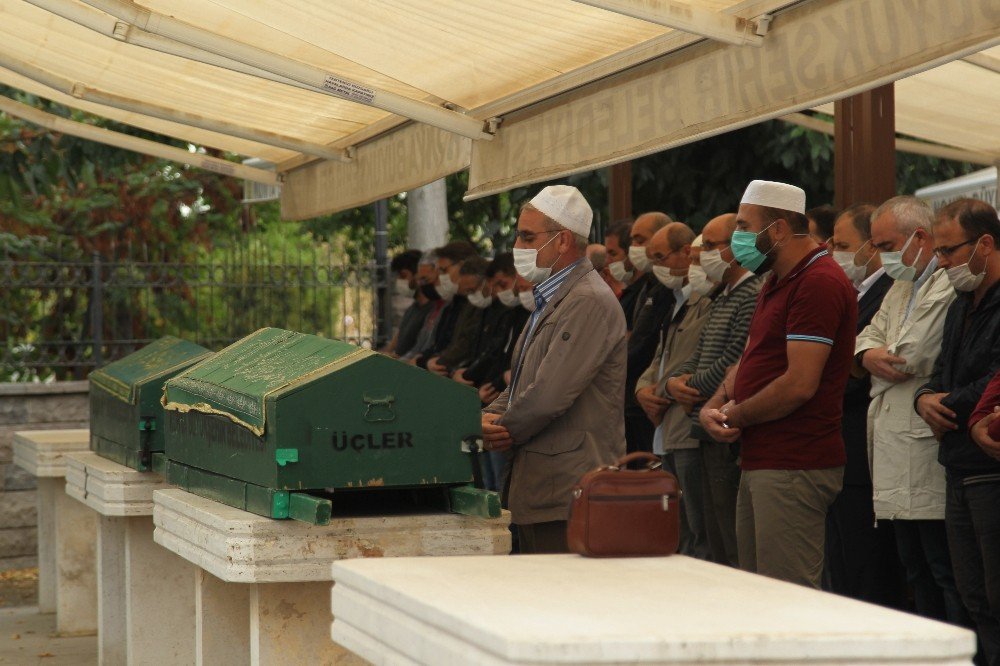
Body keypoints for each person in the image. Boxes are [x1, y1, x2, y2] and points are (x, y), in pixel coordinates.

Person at [699, 180, 857, 589]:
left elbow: (799, 384)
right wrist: (715, 403)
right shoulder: (776, 279)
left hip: (794, 462)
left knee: (788, 598)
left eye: (744, 226)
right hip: (764, 459)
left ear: (781, 230)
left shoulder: (818, 281)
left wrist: (735, 414)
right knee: (758, 594)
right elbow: (751, 358)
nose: (738, 239)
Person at [482, 185, 626, 554]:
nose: (518, 245)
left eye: (527, 237)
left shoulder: (587, 300)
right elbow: (521, 386)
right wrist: (484, 417)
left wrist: (501, 431)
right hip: (543, 488)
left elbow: (547, 397)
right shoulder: (551, 300)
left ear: (562, 242)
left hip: (567, 492)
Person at [856, 195, 963, 623]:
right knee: (914, 570)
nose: (881, 256)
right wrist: (866, 356)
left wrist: (870, 359)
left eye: (885, 244)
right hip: (891, 447)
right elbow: (866, 337)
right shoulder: (901, 285)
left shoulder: (947, 282)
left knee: (944, 571)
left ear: (920, 237)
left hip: (923, 450)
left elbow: (911, 355)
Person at [917, 198, 1000, 661]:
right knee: (971, 593)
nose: (942, 262)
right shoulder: (960, 303)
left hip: (988, 464)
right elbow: (939, 372)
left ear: (984, 243)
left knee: (994, 592)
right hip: (956, 465)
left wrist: (942, 402)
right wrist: (923, 398)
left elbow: (993, 378)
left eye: (949, 251)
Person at [667, 213, 763, 567]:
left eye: (709, 246)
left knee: (729, 538)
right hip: (702, 427)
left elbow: (732, 364)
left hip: (724, 429)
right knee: (711, 534)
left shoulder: (751, 294)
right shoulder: (721, 297)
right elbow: (694, 358)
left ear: (735, 248)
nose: (702, 253)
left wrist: (685, 385)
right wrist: (674, 382)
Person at [825, 203, 902, 606]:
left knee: (866, 570)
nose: (833, 251)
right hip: (843, 448)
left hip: (862, 448)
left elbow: (864, 367)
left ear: (872, 247)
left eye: (842, 244)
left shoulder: (889, 289)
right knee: (843, 565)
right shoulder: (859, 293)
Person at [635, 222, 713, 559]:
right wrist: (641, 390)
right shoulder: (676, 299)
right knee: (674, 529)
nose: (655, 267)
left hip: (687, 424)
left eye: (660, 257)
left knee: (700, 531)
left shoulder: (707, 300)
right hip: (665, 428)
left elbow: (699, 362)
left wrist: (663, 388)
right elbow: (660, 357)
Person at [625, 212, 675, 455]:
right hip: (634, 397)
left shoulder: (668, 287)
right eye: (632, 241)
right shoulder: (648, 285)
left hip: (654, 400)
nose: (634, 248)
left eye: (640, 239)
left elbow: (646, 344)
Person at [383, 250, 431, 357]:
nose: (399, 281)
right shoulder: (411, 310)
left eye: (403, 276)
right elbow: (391, 348)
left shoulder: (432, 311)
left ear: (418, 275)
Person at [605, 221, 639, 313]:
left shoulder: (645, 294)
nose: (607, 261)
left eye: (613, 253)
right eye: (606, 254)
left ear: (631, 253)